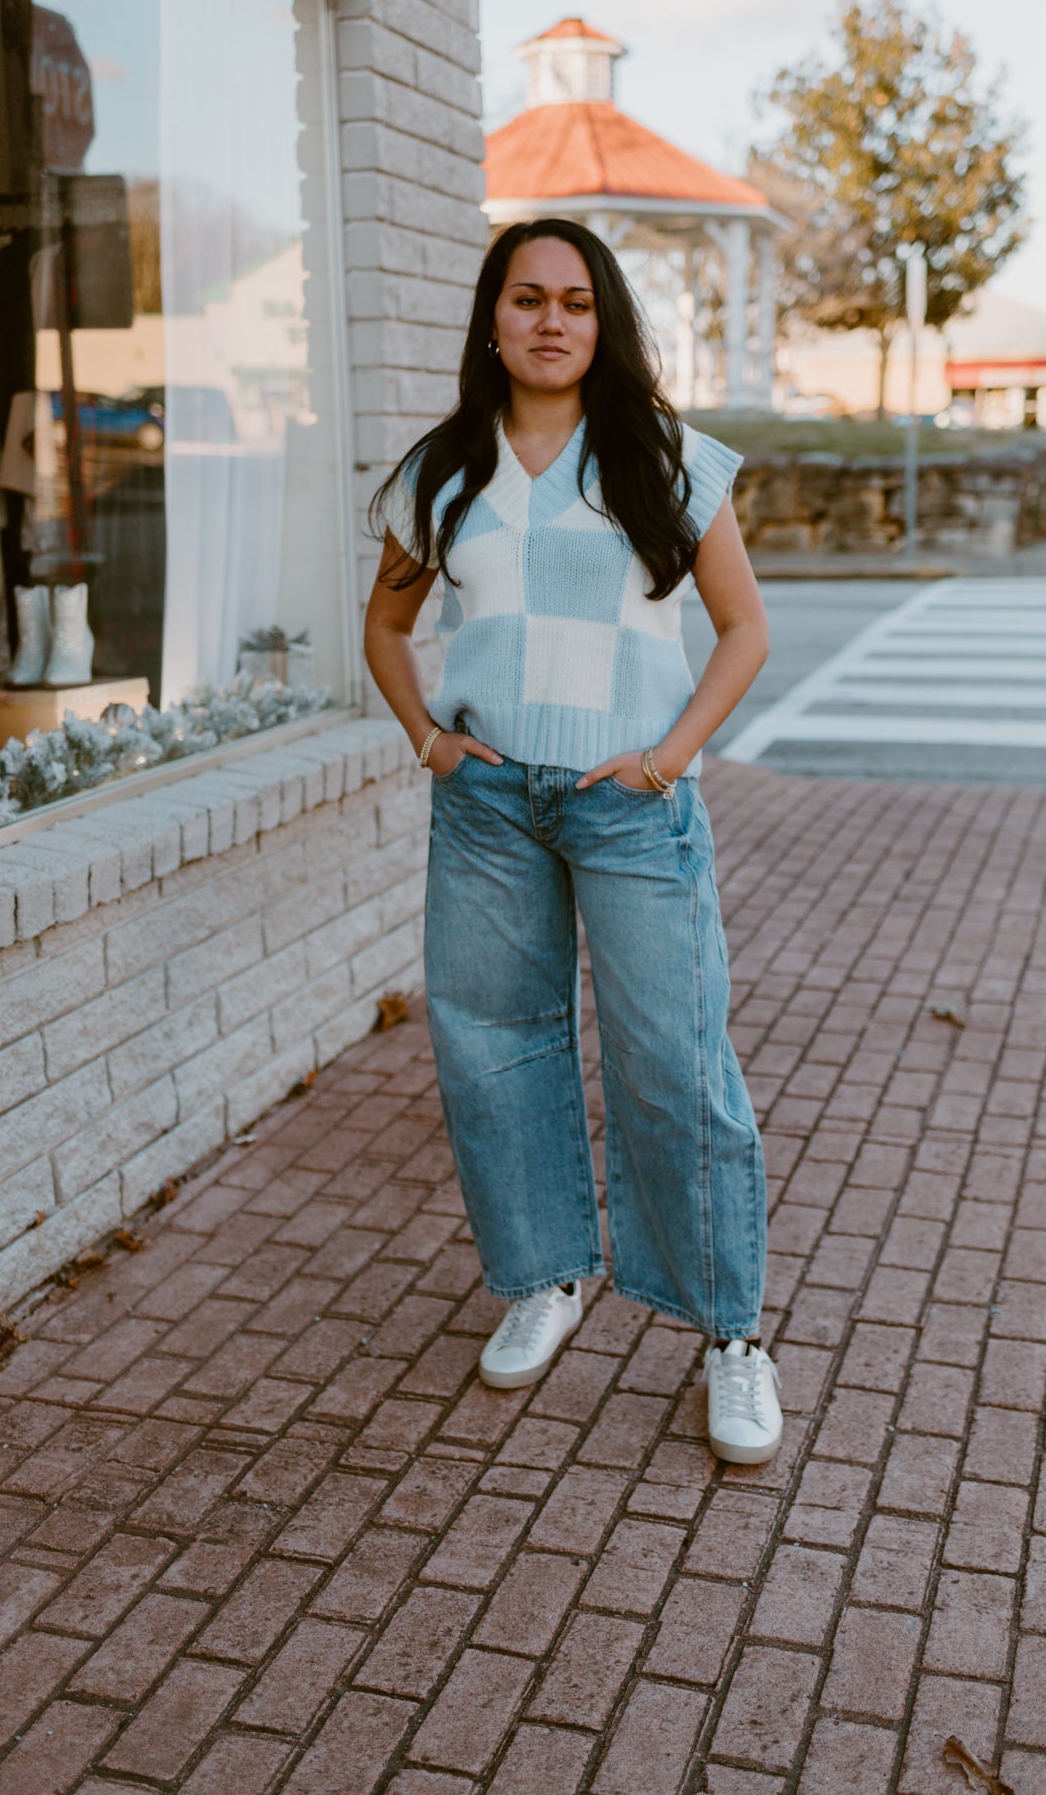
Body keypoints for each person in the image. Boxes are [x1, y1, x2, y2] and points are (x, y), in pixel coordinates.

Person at [363, 218, 781, 1464]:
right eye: (530, 298)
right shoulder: (443, 468)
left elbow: (745, 628)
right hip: (488, 802)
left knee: (674, 1059)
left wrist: (666, 757)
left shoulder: (661, 455)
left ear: (604, 324)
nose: (554, 320)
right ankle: (543, 1274)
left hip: (630, 799)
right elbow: (384, 630)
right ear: (491, 317)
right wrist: (430, 741)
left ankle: (732, 1334)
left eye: (579, 302)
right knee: (492, 1046)